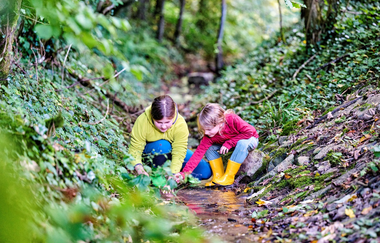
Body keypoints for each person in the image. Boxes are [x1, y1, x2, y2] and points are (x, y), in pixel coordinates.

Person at [128, 95, 212, 181]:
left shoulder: (180, 124)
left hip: (172, 152)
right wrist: (140, 170)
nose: (164, 126)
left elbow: (179, 151)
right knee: (163, 145)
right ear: (152, 117)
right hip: (152, 153)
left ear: (173, 116)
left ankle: (175, 175)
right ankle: (157, 176)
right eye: (159, 122)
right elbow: (135, 149)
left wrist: (173, 174)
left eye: (167, 122)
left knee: (205, 171)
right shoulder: (143, 121)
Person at [179, 103, 259, 186]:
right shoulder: (208, 136)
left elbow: (250, 132)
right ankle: (218, 176)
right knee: (209, 148)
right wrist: (184, 174)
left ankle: (229, 177)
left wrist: (229, 143)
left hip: (250, 139)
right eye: (204, 130)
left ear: (220, 123)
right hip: (232, 144)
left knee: (241, 143)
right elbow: (197, 154)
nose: (206, 132)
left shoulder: (231, 119)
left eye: (209, 129)